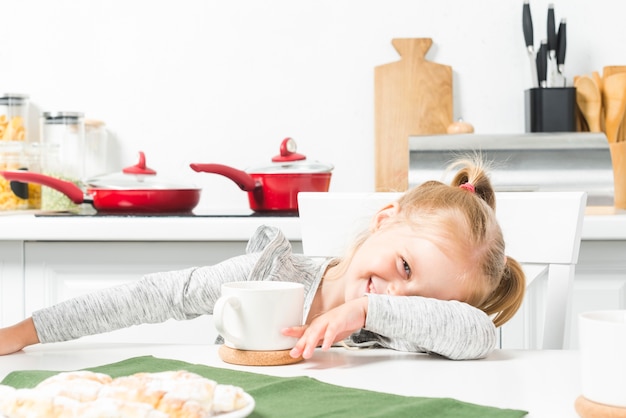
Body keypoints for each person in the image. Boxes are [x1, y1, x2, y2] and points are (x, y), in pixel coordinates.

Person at [0, 157, 525, 360]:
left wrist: (369, 313)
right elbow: (153, 296)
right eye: (406, 268)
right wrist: (23, 332)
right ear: (385, 221)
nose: (399, 293)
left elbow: (477, 334)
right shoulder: (270, 273)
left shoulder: (401, 328)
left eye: (423, 299)